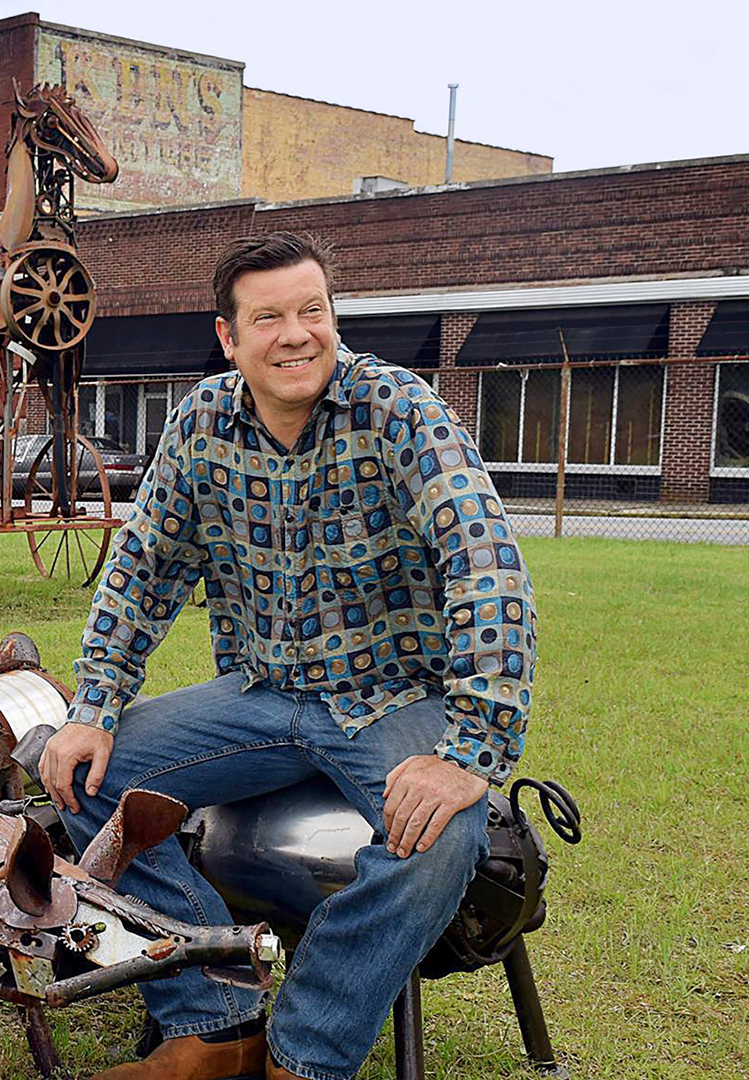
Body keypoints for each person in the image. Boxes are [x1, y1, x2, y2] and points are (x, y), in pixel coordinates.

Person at [42, 232, 535, 1080]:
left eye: (313, 311)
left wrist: (472, 750)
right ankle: (215, 1018)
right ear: (231, 339)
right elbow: (143, 569)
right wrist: (93, 707)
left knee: (447, 837)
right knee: (83, 777)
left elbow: (484, 561)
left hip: (391, 698)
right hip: (261, 693)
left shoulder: (399, 408)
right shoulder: (200, 423)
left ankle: (304, 1054)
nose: (297, 334)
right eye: (269, 318)